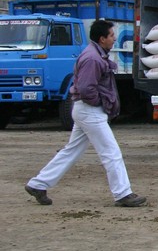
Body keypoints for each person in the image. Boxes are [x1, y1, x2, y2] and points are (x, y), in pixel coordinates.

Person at [24, 20, 147, 207]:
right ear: (102, 39)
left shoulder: (93, 54)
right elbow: (86, 89)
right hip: (90, 111)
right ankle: (123, 194)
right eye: (112, 35)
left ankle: (38, 184)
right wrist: (101, 103)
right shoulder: (93, 59)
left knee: (71, 151)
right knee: (111, 152)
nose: (115, 39)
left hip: (85, 110)